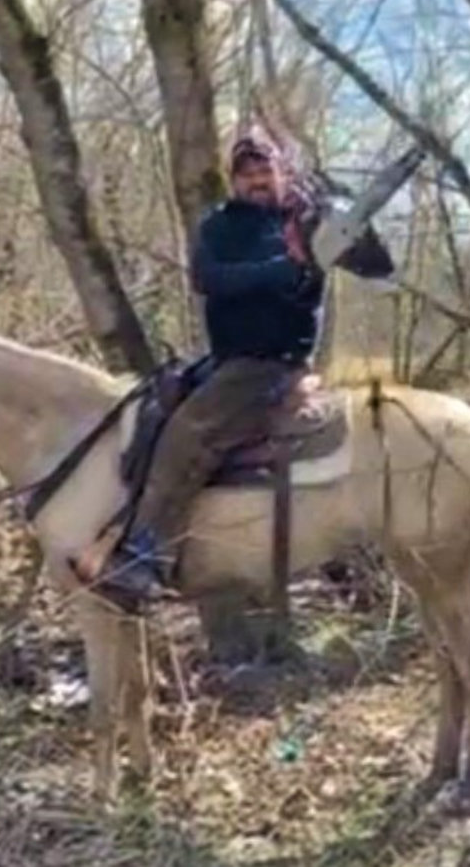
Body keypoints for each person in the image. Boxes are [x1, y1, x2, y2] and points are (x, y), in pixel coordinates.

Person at [73, 130, 325, 609]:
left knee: (188, 432)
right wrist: (283, 267)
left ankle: (149, 559)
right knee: (154, 409)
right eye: (247, 174)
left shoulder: (305, 225)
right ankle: (122, 529)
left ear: (281, 174)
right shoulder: (219, 227)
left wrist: (320, 244)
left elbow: (369, 262)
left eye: (264, 172)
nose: (257, 182)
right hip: (229, 359)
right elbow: (211, 278)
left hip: (272, 363)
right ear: (234, 181)